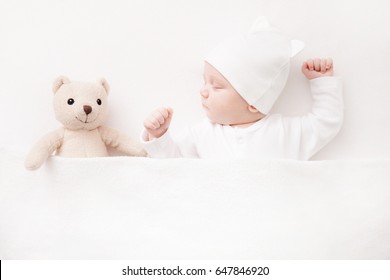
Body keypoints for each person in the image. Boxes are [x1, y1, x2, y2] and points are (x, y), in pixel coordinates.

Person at [141, 17, 343, 159]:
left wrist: (322, 82)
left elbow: (326, 123)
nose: (203, 91)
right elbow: (172, 166)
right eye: (205, 82)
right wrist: (158, 136)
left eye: (216, 86)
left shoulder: (284, 133)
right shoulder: (202, 134)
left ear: (253, 102)